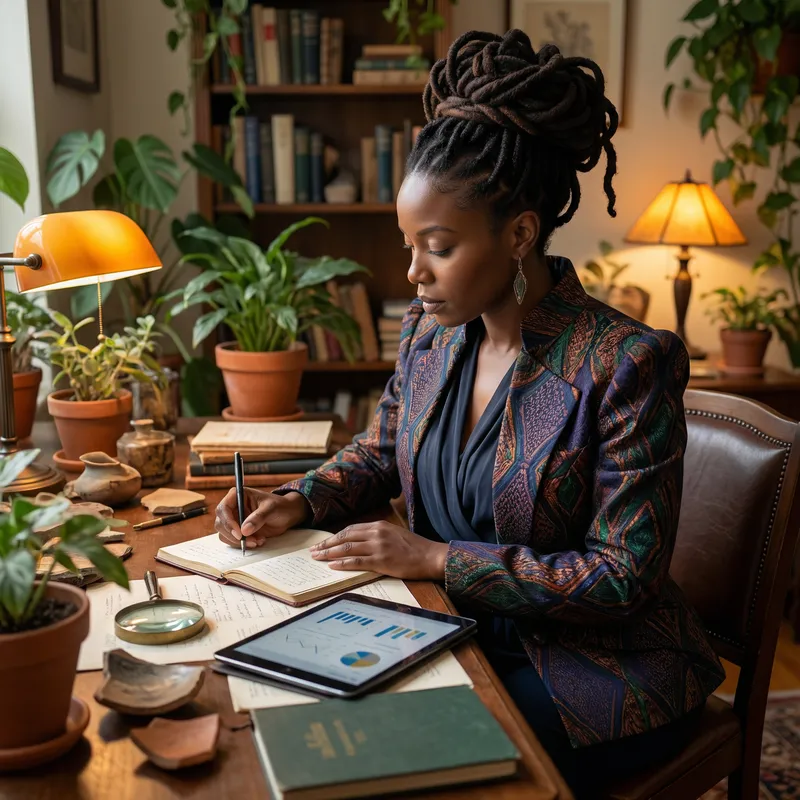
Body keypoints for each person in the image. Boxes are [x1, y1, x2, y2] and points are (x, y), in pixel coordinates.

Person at [215, 29, 725, 796]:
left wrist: (433, 559)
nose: (412, 271)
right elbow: (383, 447)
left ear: (520, 233)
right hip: (449, 628)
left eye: (438, 246)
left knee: (395, 765)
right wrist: (296, 499)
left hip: (599, 672)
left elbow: (622, 578)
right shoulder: (431, 333)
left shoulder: (626, 363)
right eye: (407, 242)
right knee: (285, 706)